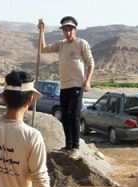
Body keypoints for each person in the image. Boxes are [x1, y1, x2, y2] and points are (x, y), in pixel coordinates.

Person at [38, 16, 95, 160]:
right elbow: (43, 49)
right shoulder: (61, 44)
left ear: (75, 30)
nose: (68, 32)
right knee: (65, 116)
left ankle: (75, 147)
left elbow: (91, 63)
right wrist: (42, 31)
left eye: (70, 29)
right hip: (64, 87)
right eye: (65, 30)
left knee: (74, 116)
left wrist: (87, 81)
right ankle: (68, 145)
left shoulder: (81, 43)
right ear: (62, 31)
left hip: (77, 85)